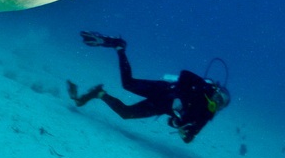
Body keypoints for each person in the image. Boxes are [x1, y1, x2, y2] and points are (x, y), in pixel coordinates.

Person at [66, 31, 230, 143]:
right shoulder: (203, 88)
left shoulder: (205, 115)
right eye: (219, 97)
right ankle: (119, 46)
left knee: (126, 113)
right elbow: (185, 74)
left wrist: (181, 128)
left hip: (161, 106)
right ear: (216, 90)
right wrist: (180, 96)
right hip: (165, 90)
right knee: (128, 83)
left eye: (220, 103)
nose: (217, 101)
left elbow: (188, 137)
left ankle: (99, 93)